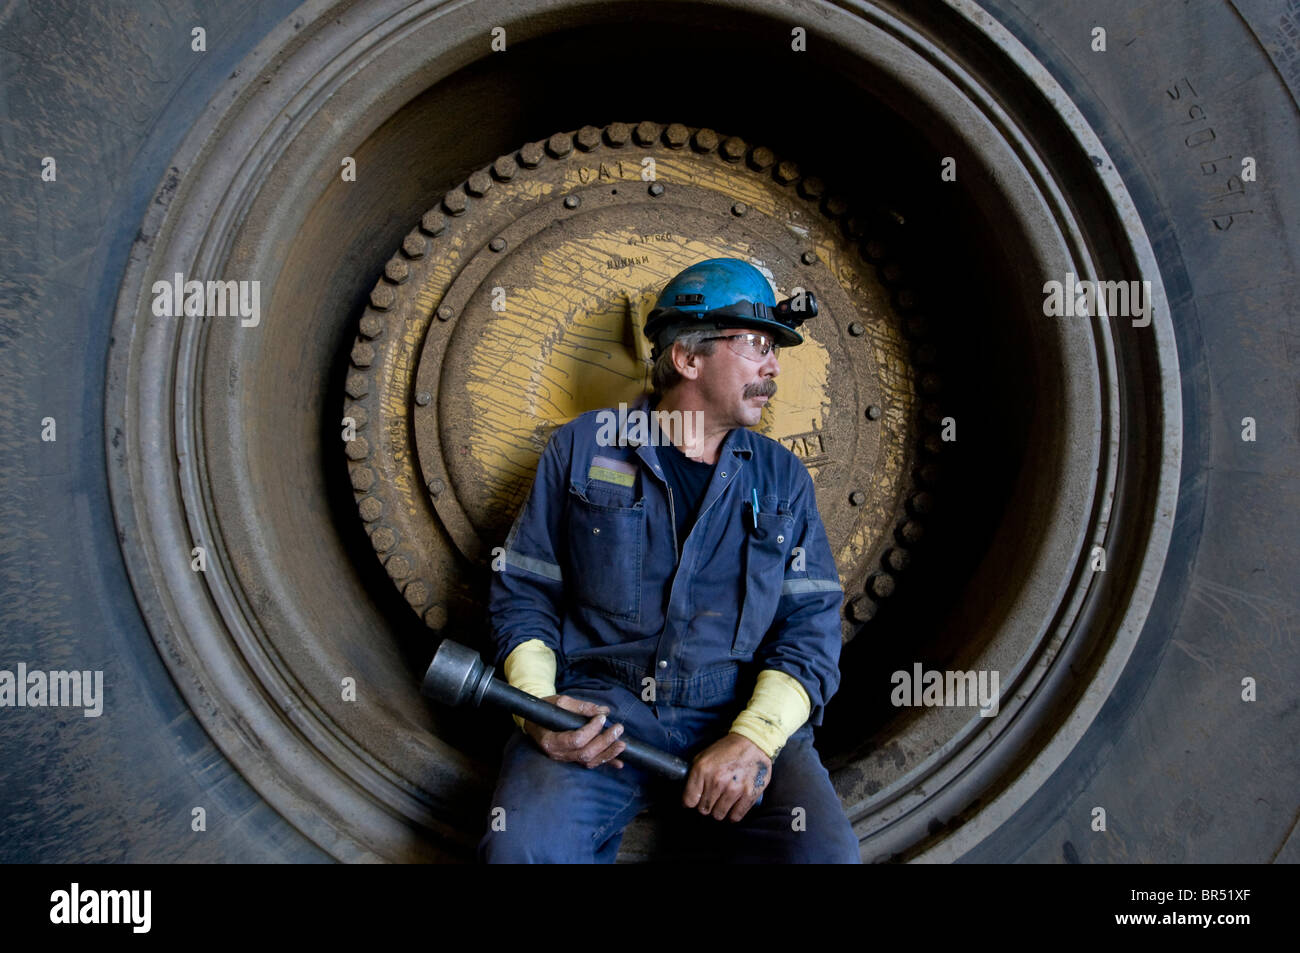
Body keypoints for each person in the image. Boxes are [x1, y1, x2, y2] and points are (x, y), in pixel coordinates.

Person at [478, 258, 859, 863]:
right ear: (687, 358)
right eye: (757, 345)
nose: (773, 367)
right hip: (602, 709)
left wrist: (755, 738)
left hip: (733, 707)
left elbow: (809, 625)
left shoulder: (782, 477)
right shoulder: (581, 447)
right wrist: (537, 707)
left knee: (823, 856)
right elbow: (525, 589)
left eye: (775, 350)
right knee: (522, 849)